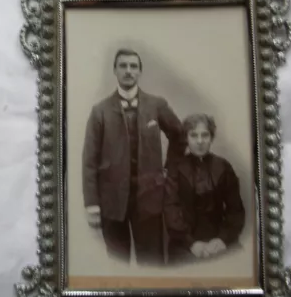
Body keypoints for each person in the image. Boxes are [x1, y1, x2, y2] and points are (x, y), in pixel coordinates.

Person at [81, 48, 185, 264]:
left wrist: (169, 169)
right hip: (112, 202)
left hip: (149, 199)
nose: (128, 71)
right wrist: (92, 204)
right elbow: (89, 160)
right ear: (115, 71)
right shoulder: (99, 111)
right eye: (123, 66)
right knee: (117, 264)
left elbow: (180, 136)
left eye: (133, 66)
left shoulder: (156, 105)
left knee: (152, 263)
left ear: (140, 71)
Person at [163, 114, 246, 261]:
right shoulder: (175, 169)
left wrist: (223, 239)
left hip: (219, 239)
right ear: (186, 138)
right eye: (193, 135)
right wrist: (192, 243)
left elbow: (236, 210)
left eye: (205, 135)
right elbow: (171, 211)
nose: (200, 141)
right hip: (184, 243)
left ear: (211, 137)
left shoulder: (223, 167)